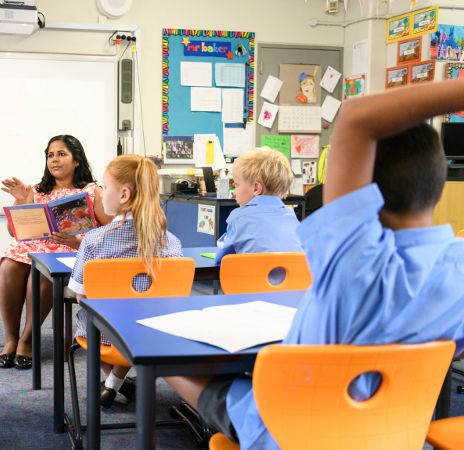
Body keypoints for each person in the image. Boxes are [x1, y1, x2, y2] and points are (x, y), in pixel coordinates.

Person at [166, 73, 464, 449]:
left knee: (167, 358)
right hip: (393, 436)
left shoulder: (350, 254)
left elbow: (356, 116)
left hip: (284, 432)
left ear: (361, 194)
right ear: (439, 191)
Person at [0, 135, 112, 369]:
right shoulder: (36, 190)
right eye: (50, 155)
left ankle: (28, 340)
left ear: (76, 160)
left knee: (42, 270)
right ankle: (11, 339)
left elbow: (111, 231)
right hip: (32, 247)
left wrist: (78, 242)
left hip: (69, 251)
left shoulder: (93, 191)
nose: (54, 160)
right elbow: (14, 231)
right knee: (8, 264)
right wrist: (21, 201)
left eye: (61, 154)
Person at [68, 155, 183, 408]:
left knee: (88, 318)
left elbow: (81, 296)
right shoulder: (171, 242)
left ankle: (112, 381)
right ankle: (116, 382)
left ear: (123, 195)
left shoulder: (93, 240)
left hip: (106, 337)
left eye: (106, 187)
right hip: (155, 332)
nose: (101, 193)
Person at [215, 147, 302, 262]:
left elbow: (221, 259)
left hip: (254, 279)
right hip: (297, 279)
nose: (234, 193)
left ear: (256, 188)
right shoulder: (291, 218)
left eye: (236, 185)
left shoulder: (239, 217)